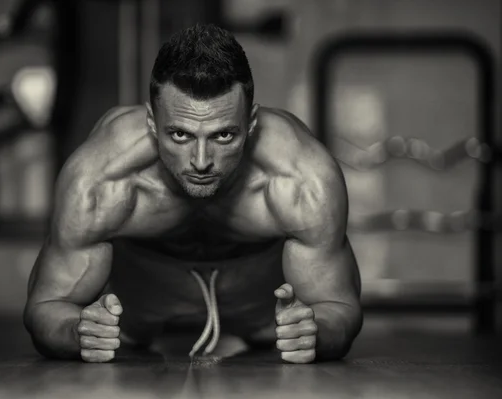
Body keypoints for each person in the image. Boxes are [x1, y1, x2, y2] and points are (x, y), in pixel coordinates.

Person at [23, 23, 363, 364]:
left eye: (224, 136)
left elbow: (338, 307)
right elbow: (47, 307)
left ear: (252, 123)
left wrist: (314, 331)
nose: (201, 161)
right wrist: (78, 331)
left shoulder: (303, 178)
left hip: (263, 320)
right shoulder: (100, 180)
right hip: (134, 318)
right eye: (180, 135)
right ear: (152, 123)